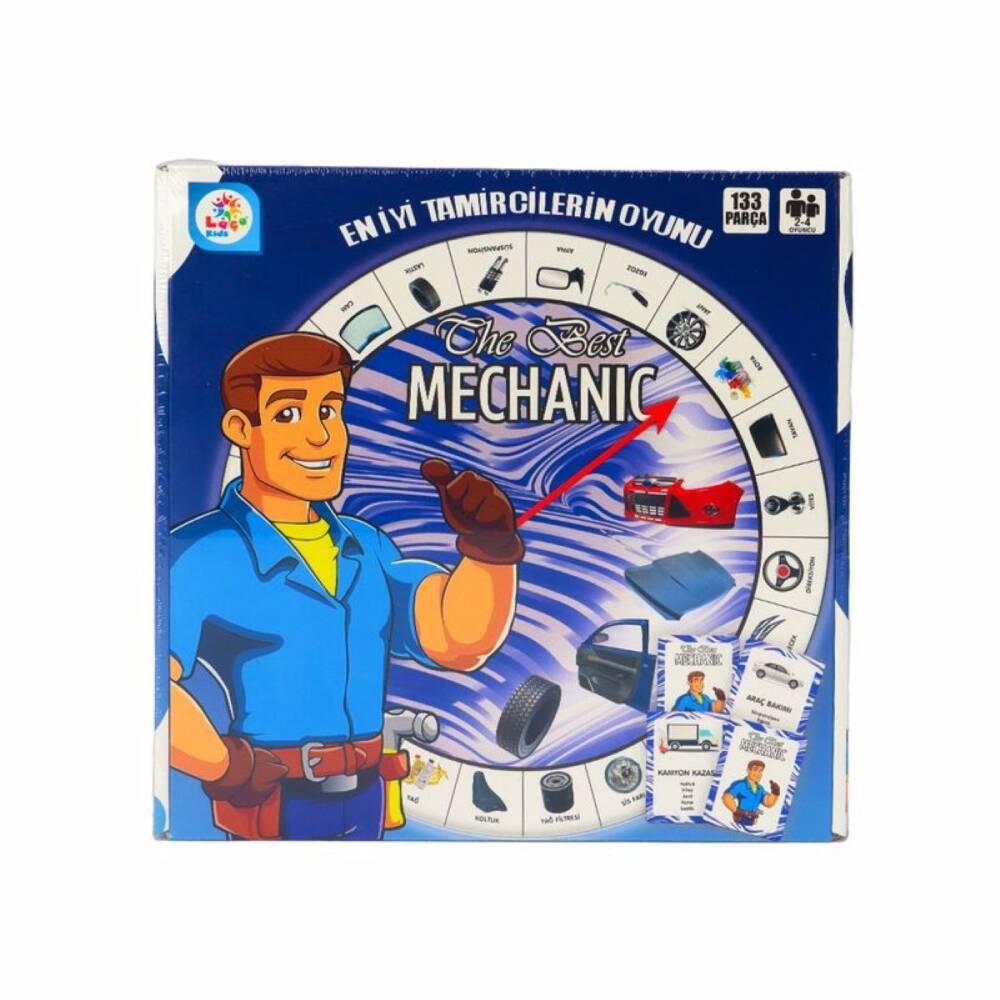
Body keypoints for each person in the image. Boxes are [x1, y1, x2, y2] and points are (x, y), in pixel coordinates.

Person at [168, 332, 521, 839]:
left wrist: (488, 550)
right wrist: (226, 765)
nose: (321, 437)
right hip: (274, 801)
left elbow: (455, 640)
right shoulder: (203, 552)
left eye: (329, 410)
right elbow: (150, 686)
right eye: (290, 414)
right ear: (241, 428)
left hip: (368, 797)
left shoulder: (366, 546)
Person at [722, 759, 780, 827]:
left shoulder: (760, 788)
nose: (758, 774)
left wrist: (775, 793)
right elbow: (726, 797)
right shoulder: (740, 785)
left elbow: (767, 802)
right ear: (748, 770)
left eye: (760, 771)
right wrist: (737, 811)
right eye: (755, 770)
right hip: (739, 821)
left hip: (753, 822)